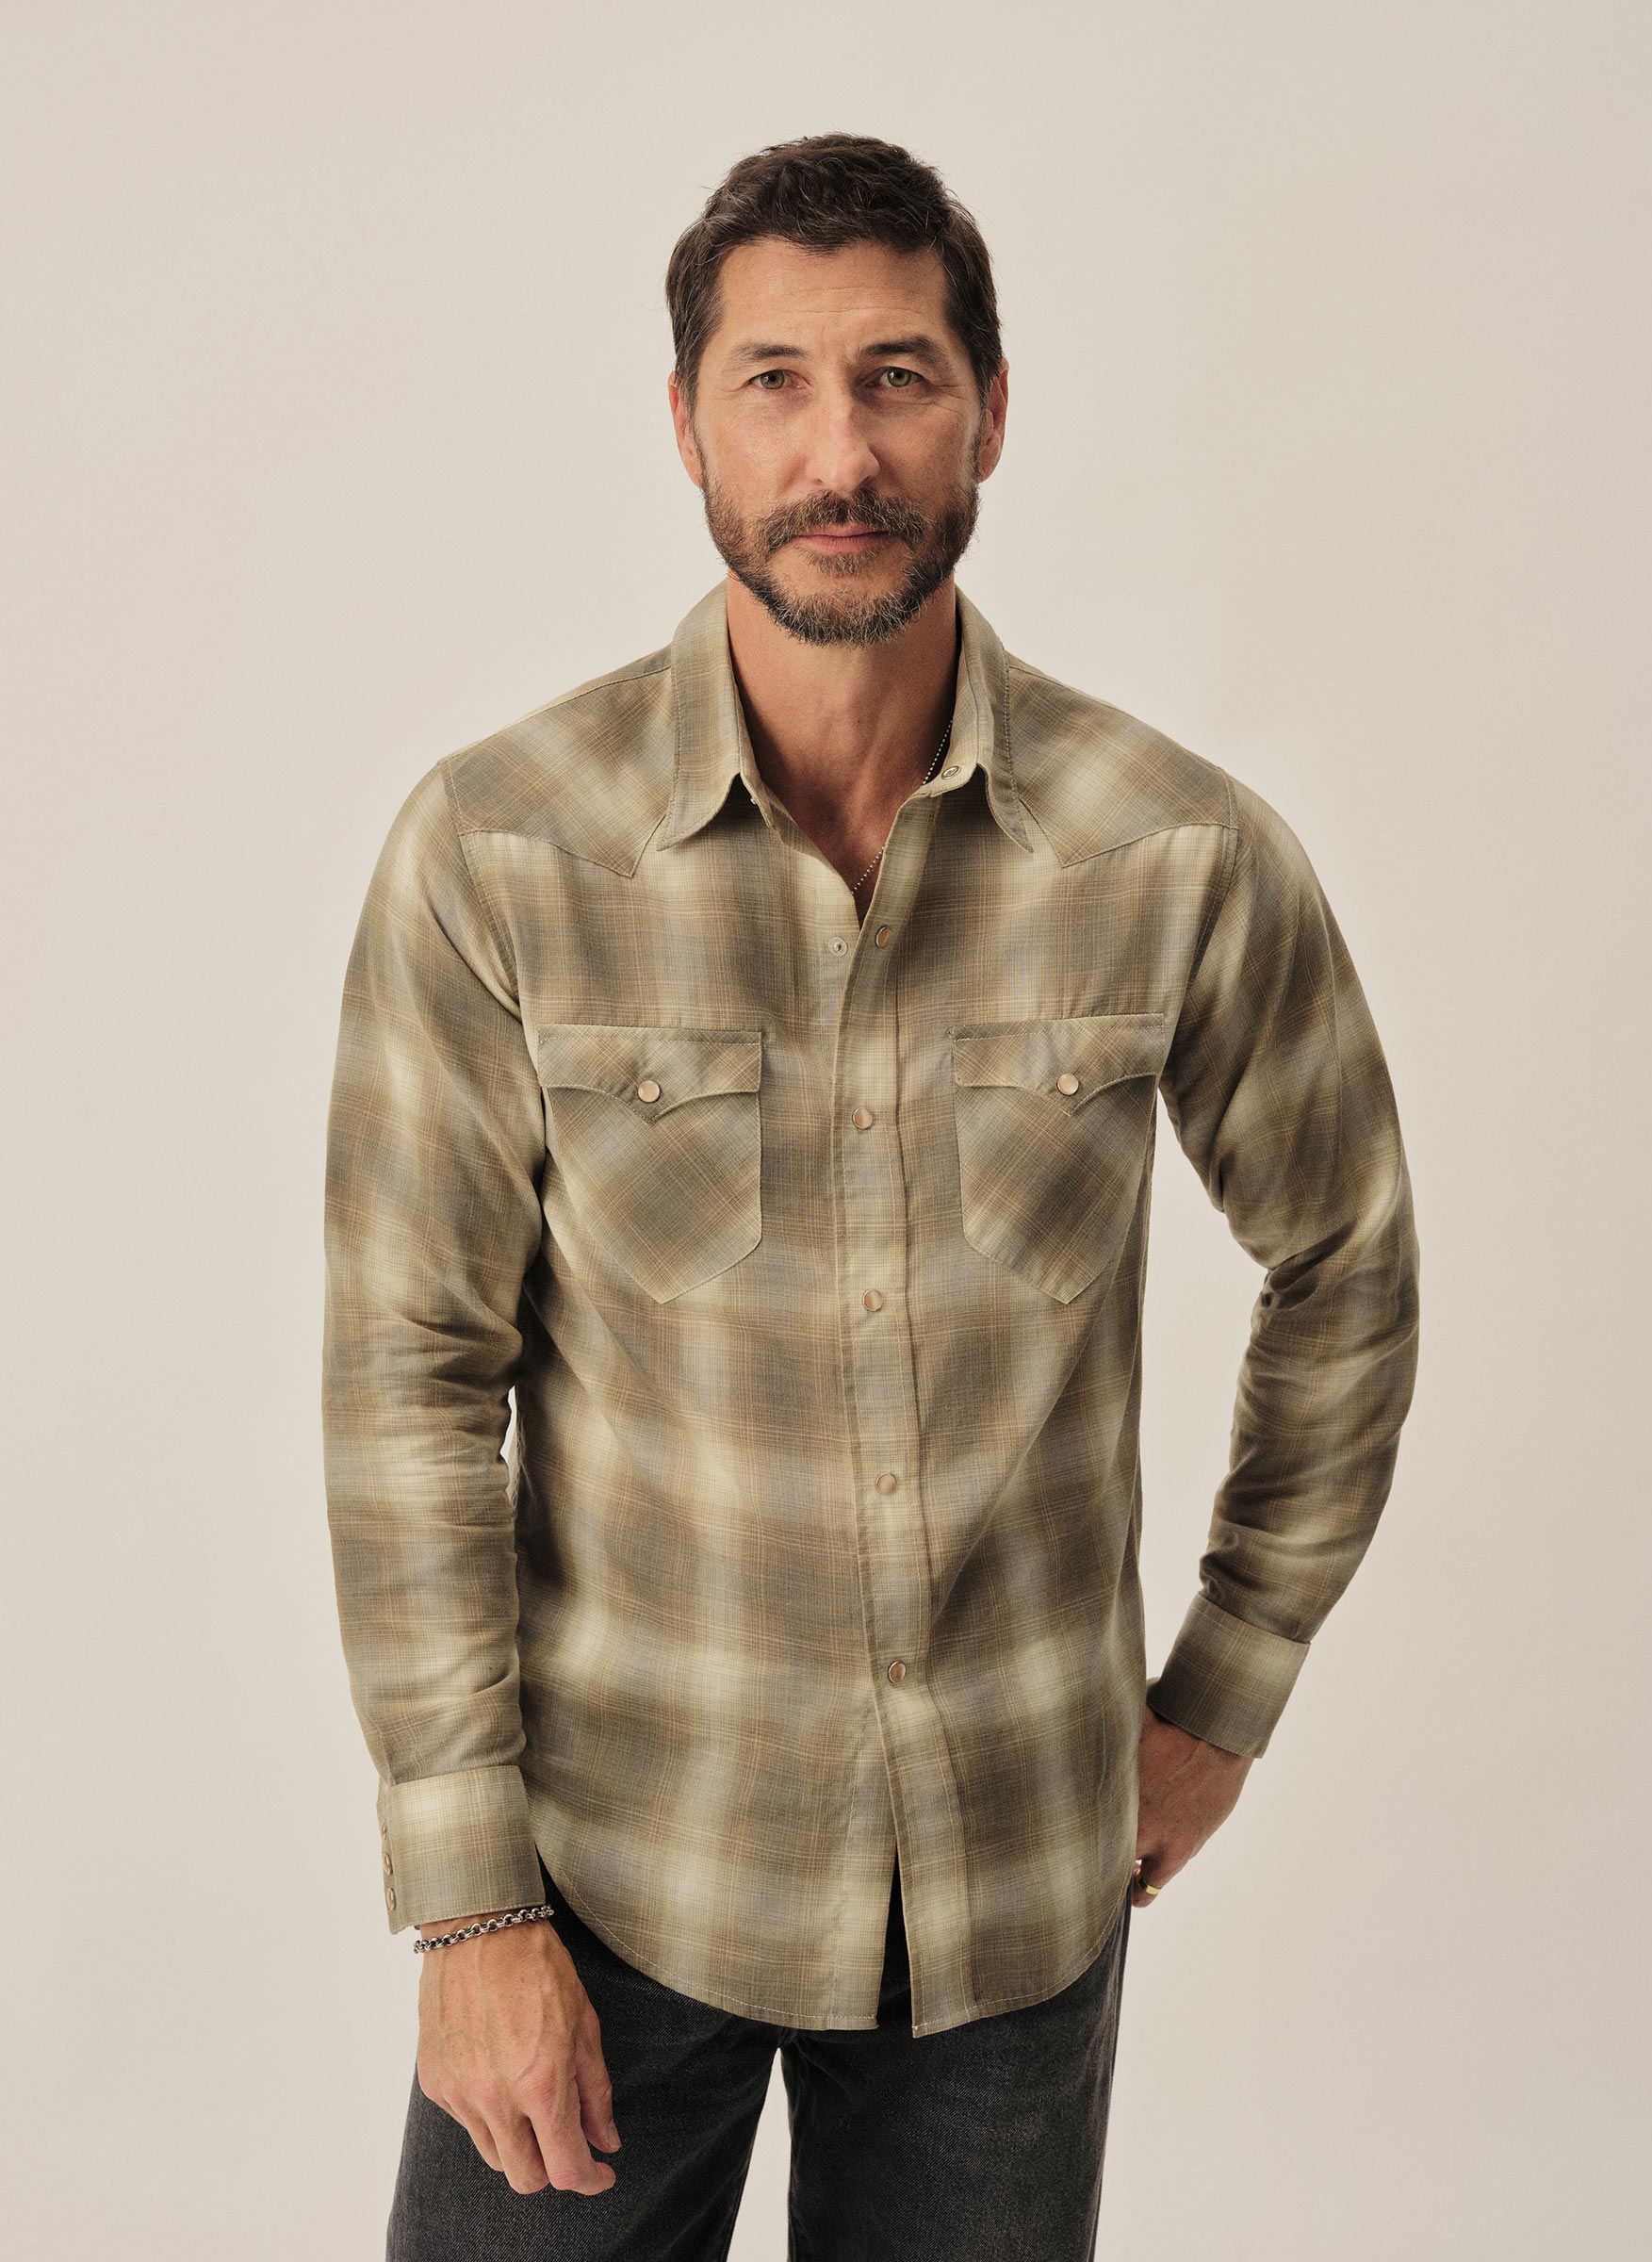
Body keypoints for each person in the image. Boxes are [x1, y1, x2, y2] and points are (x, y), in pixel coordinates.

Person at [321, 130, 1420, 2259]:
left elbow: (1347, 1258)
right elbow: (408, 1376)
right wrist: (466, 1905)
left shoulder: (1176, 854)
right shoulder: (499, 852)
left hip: (1013, 1905)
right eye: (778, 382)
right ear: (687, 425)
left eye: (900, 378)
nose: (842, 454)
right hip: (608, 1886)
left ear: (989, 412)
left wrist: (1227, 1687)